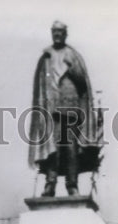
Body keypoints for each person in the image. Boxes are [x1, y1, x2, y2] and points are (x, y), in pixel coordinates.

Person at [28, 20, 100, 197]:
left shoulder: (73, 55)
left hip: (70, 109)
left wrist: (73, 68)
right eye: (54, 32)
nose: (57, 35)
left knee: (70, 148)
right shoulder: (46, 57)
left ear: (65, 34)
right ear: (51, 33)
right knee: (53, 148)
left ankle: (72, 184)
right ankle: (50, 184)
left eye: (60, 32)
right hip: (51, 111)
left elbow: (84, 84)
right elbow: (40, 87)